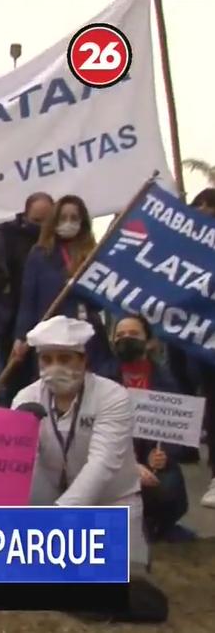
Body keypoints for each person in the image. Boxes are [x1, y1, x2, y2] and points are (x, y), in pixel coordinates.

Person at [11, 315, 147, 572]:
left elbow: (103, 464)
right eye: (47, 359)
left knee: (123, 586)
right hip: (51, 502)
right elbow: (20, 467)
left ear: (83, 360)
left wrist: (61, 515)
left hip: (111, 504)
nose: (54, 367)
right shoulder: (25, 398)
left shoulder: (112, 396)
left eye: (65, 359)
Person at [102, 316, 192, 542]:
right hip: (114, 459)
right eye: (120, 335)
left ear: (149, 342)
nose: (125, 340)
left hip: (152, 459)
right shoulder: (103, 377)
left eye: (133, 335)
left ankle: (159, 524)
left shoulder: (165, 379)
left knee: (168, 485)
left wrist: (165, 454)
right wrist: (130, 465)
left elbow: (178, 426)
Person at [12, 194, 110, 374]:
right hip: (50, 335)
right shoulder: (39, 254)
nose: (68, 222)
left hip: (87, 337)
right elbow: (28, 301)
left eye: (74, 218)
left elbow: (101, 301)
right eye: (63, 218)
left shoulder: (92, 254)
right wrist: (20, 337)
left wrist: (80, 287)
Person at [168, 187, 215, 507]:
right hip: (196, 339)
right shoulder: (184, 247)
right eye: (196, 205)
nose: (200, 210)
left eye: (206, 206)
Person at [0, 192, 56, 403]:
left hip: (50, 322)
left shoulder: (60, 242)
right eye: (37, 220)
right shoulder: (5, 237)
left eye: (48, 220)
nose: (42, 226)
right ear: (26, 216)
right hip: (12, 326)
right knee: (14, 387)